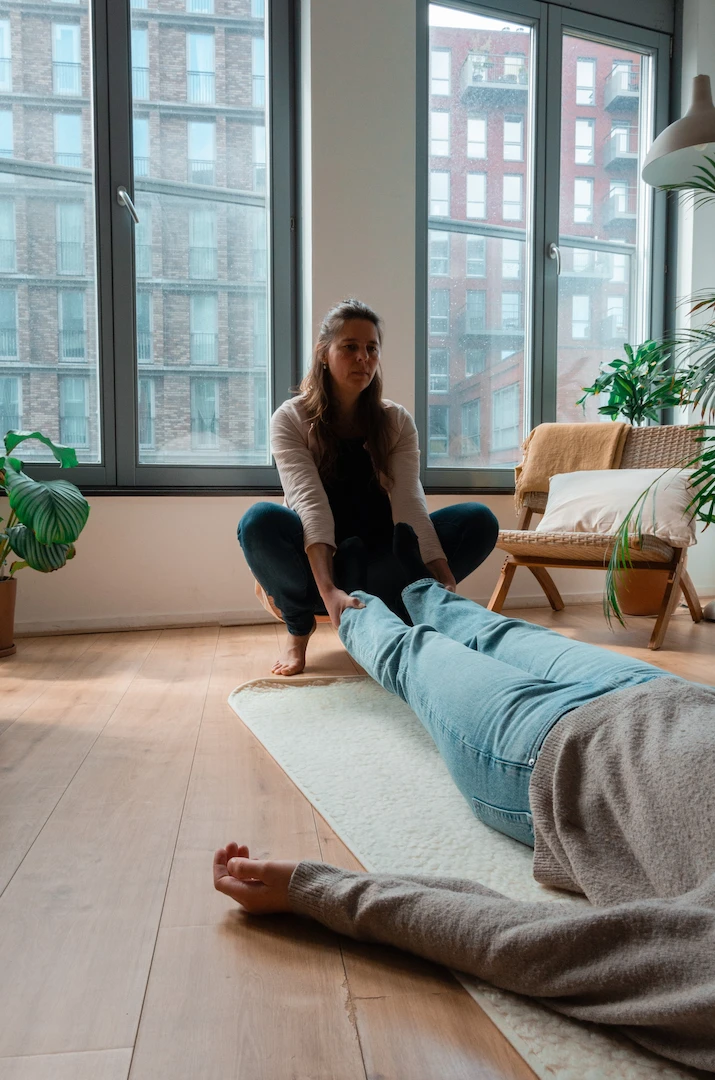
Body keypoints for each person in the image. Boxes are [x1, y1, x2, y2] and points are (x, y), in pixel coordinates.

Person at [214, 532, 715, 1072]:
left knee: (412, 654)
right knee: (485, 625)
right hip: (661, 690)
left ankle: (345, 599)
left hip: (555, 751)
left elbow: (526, 944)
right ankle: (412, 578)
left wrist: (319, 891)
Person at [237, 299, 498, 676]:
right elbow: (310, 505)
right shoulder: (290, 419)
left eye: (371, 349)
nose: (363, 358)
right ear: (324, 354)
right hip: (316, 567)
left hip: (379, 560)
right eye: (350, 347)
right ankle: (298, 630)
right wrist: (328, 591)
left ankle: (410, 606)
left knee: (478, 519)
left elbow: (410, 503)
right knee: (258, 521)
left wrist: (442, 575)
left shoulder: (395, 421)